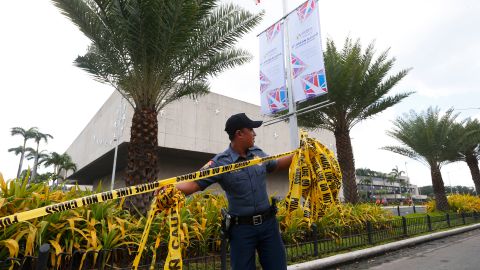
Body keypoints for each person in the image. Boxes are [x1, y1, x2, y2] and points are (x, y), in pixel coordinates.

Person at [175, 113, 292, 270]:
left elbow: (276, 165)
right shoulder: (220, 162)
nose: (254, 133)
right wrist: (169, 188)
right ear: (239, 134)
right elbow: (194, 183)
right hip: (242, 230)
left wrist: (300, 154)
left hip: (268, 226)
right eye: (251, 129)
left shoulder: (257, 153)